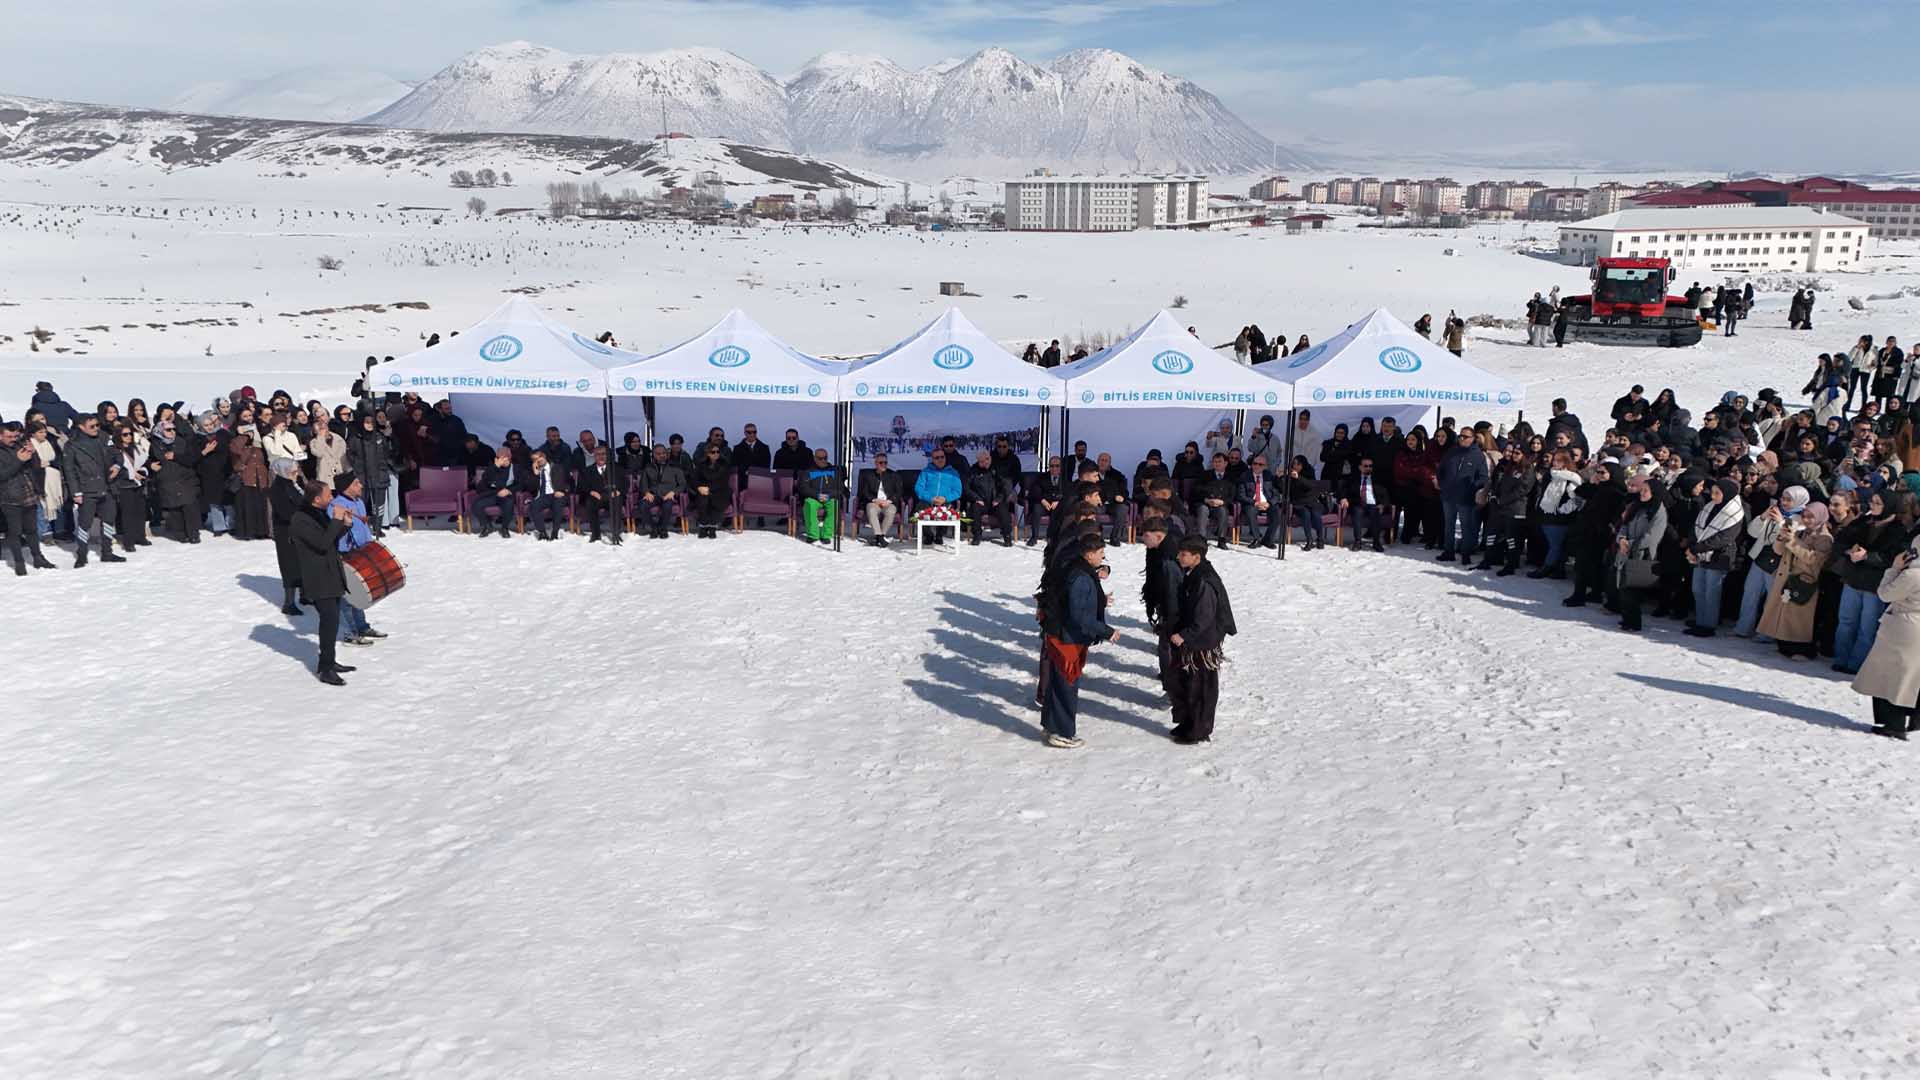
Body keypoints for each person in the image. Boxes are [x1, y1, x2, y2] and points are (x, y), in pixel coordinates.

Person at [1038, 535, 1117, 749]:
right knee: (1066, 686)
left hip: (1058, 634)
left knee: (1057, 684)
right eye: (1101, 553)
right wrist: (1107, 631)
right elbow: (1079, 615)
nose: (1103, 557)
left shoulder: (1073, 566)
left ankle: (1051, 725)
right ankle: (1062, 732)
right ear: (1089, 554)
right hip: (1067, 640)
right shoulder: (1080, 577)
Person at [1831, 490, 1909, 673]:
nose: (1872, 506)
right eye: (1872, 502)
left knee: (1867, 626)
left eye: (1878, 503)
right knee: (1846, 620)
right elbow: (1841, 541)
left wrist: (1867, 556)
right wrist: (1849, 551)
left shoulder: (1897, 529)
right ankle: (1840, 658)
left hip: (1874, 585)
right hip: (1853, 579)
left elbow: (1892, 558)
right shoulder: (1863, 522)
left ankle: (1857, 663)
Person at [1167, 535, 1234, 744]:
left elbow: (1204, 617)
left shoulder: (1204, 581)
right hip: (1195, 640)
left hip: (1202, 643)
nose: (1179, 557)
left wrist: (1183, 635)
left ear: (1197, 557)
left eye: (1183, 554)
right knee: (1186, 684)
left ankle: (1199, 730)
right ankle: (1188, 723)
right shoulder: (1194, 573)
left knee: (1201, 687)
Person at [289, 480, 357, 685]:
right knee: (329, 622)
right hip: (318, 578)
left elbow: (331, 539)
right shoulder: (300, 519)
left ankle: (329, 661)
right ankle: (325, 669)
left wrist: (344, 524)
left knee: (332, 621)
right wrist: (336, 519)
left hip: (331, 573)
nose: (332, 498)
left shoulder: (318, 513)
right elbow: (320, 544)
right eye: (328, 495)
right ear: (316, 499)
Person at [1852, 537, 1920, 739]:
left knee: (1892, 677)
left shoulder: (1912, 575)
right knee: (1912, 677)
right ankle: (1915, 719)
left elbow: (1884, 594)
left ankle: (1894, 725)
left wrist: (1893, 568)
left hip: (1903, 627)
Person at [1756, 500, 1833, 659]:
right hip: (1786, 576)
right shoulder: (1801, 531)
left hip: (1804, 580)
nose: (1806, 520)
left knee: (1798, 618)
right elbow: (1778, 551)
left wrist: (1791, 540)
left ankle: (1801, 649)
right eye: (1804, 516)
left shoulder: (1825, 538)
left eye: (1811, 517)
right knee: (1783, 613)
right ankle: (1784, 644)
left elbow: (1813, 558)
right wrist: (1781, 536)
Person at [1733, 485, 1809, 639]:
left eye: (1789, 500)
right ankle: (1743, 628)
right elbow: (1752, 532)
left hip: (1780, 563)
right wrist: (1763, 517)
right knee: (1750, 593)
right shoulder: (1775, 511)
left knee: (1771, 599)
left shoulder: (1801, 520)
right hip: (1761, 557)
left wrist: (1782, 522)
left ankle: (1765, 634)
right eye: (1783, 498)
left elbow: (1791, 538)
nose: (1784, 502)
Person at [1683, 479, 1744, 637]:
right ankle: (1700, 619)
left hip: (1719, 557)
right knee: (1698, 589)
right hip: (1700, 554)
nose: (1713, 496)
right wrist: (1692, 547)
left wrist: (1696, 549)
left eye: (1718, 493)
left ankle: (1708, 624)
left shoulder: (1734, 513)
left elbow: (1723, 538)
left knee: (1711, 592)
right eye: (1713, 492)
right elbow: (1696, 527)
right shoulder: (1709, 507)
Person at [329, 473, 385, 646]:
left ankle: (362, 626)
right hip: (344, 555)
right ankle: (349, 631)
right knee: (346, 597)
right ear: (347, 487)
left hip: (361, 553)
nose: (360, 486)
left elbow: (363, 529)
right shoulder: (335, 505)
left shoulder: (359, 502)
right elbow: (335, 531)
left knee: (359, 592)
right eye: (356, 483)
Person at [1611, 473, 1668, 633]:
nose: (1642, 493)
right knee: (1622, 587)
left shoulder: (1658, 511)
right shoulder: (1636, 506)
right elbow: (1625, 524)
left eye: (1645, 491)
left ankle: (1634, 621)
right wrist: (1621, 538)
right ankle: (1626, 617)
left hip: (1641, 554)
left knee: (1633, 589)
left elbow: (1652, 536)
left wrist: (1629, 544)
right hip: (1624, 551)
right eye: (1641, 490)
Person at [0, 423, 55, 575]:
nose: (13, 439)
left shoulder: (20, 445)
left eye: (15, 436)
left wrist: (34, 454)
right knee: (15, 532)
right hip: (9, 497)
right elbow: (2, 475)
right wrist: (19, 460)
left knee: (32, 530)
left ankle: (38, 558)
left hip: (29, 492)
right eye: (9, 437)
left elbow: (35, 467)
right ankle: (19, 563)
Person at [1139, 517, 1183, 701]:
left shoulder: (1169, 559)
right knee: (1165, 647)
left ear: (1159, 536)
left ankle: (1173, 689)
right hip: (1165, 606)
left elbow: (1173, 591)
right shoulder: (1155, 550)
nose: (1143, 540)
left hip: (1174, 610)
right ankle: (1170, 682)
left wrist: (1169, 619)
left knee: (1168, 648)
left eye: (1146, 537)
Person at [1474, 443, 1533, 575]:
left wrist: (1504, 500)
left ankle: (1511, 565)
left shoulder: (1528, 469)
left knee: (1511, 538)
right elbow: (1498, 484)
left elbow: (1522, 490)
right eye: (1513, 453)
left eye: (1517, 453)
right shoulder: (1509, 467)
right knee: (1491, 533)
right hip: (1500, 507)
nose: (1514, 456)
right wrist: (1495, 496)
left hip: (1515, 509)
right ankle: (1487, 559)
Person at [1436, 428, 1488, 562]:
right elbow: (1441, 469)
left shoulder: (1478, 456)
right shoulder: (1452, 452)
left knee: (1466, 526)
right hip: (1449, 495)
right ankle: (1448, 551)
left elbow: (1483, 477)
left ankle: (1466, 554)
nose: (1462, 439)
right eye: (1460, 436)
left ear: (1473, 439)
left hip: (1466, 497)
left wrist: (1472, 487)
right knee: (1449, 524)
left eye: (1465, 436)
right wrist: (1443, 484)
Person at [149, 419, 201, 544]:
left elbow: (192, 459)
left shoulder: (182, 442)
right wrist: (151, 465)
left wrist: (176, 457)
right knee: (174, 510)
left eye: (173, 429)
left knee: (190, 508)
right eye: (168, 430)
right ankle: (181, 534)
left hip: (185, 479)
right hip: (167, 480)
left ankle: (193, 534)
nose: (172, 432)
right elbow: (149, 460)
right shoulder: (155, 445)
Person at [962, 451, 1013, 546]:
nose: (984, 463)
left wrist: (999, 498)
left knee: (1003, 510)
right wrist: (976, 498)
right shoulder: (973, 471)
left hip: (996, 501)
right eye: (980, 462)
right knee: (975, 508)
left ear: (989, 458)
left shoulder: (998, 468)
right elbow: (966, 488)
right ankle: (977, 535)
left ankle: (1007, 536)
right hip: (981, 501)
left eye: (986, 460)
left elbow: (1007, 485)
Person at [795, 447, 844, 545]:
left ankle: (826, 535)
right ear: (814, 458)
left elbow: (840, 488)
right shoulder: (808, 471)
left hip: (829, 498)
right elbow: (803, 488)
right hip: (814, 497)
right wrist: (817, 495)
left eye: (825, 458)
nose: (823, 460)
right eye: (820, 458)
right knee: (809, 504)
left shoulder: (834, 471)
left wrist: (828, 495)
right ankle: (813, 534)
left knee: (835, 505)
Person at [913, 449, 962, 546]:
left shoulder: (953, 473)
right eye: (937, 457)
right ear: (932, 459)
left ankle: (940, 535)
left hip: (945, 500)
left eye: (942, 457)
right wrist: (931, 498)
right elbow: (918, 488)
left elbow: (957, 491)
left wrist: (945, 498)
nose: (940, 459)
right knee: (920, 508)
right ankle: (928, 535)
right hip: (928, 500)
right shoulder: (926, 472)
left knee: (948, 510)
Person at [1340, 456, 1389, 552]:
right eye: (1365, 466)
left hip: (1373, 504)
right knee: (1357, 513)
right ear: (1360, 467)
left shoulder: (1377, 479)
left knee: (1375, 513)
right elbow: (1342, 489)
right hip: (1358, 504)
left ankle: (1376, 542)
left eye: (1370, 466)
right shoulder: (1353, 478)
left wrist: (1383, 504)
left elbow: (1385, 495)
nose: (1368, 468)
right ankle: (1358, 542)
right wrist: (1343, 498)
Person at [636, 444, 686, 539]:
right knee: (643, 505)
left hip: (668, 495)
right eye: (658, 454)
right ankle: (653, 528)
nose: (661, 455)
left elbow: (683, 484)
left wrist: (673, 492)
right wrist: (646, 492)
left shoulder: (675, 467)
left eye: (663, 453)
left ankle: (663, 528)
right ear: (653, 455)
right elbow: (643, 483)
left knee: (667, 506)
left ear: (667, 454)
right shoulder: (648, 467)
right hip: (653, 495)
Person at [469, 448, 521, 539]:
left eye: (505, 458)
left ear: (509, 458)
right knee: (476, 505)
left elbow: (521, 484)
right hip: (492, 494)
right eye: (500, 458)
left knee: (509, 504)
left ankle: (504, 528)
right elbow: (484, 481)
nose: (503, 461)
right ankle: (487, 525)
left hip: (506, 494)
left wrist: (509, 491)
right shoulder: (492, 468)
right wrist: (495, 467)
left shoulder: (516, 468)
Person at [578, 446, 626, 544]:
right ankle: (596, 535)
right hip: (596, 497)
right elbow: (581, 486)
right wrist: (591, 492)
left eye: (603, 454)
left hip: (612, 496)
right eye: (598, 454)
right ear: (594, 456)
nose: (601, 457)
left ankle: (616, 533)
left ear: (608, 455)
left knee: (617, 501)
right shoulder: (587, 471)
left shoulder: (616, 468)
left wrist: (618, 491)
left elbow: (625, 483)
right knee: (590, 503)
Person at [1237, 455, 1285, 549]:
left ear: (1265, 466)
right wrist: (1255, 502)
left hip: (1267, 502)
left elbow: (1276, 494)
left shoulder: (1269, 476)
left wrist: (1269, 503)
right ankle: (1256, 539)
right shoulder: (1245, 476)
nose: (1257, 466)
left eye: (1260, 464)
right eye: (1255, 463)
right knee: (1250, 511)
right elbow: (1241, 495)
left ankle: (1267, 539)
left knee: (1277, 513)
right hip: (1252, 503)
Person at [859, 452, 906, 546]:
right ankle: (880, 536)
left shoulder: (893, 475)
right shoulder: (869, 475)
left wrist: (889, 500)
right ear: (876, 463)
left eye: (885, 462)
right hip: (874, 502)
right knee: (871, 509)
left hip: (888, 502)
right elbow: (865, 492)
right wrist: (874, 500)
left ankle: (880, 536)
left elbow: (899, 492)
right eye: (881, 463)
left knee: (891, 511)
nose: (883, 465)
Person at [1023, 455, 1069, 547]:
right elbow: (1035, 491)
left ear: (1061, 467)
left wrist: (1058, 501)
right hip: (1044, 504)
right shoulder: (1042, 477)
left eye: (1057, 466)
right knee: (1036, 508)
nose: (1054, 468)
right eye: (1052, 466)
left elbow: (1068, 493)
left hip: (1057, 505)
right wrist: (1042, 500)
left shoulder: (1065, 479)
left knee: (1058, 511)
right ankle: (1034, 537)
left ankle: (1051, 537)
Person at [690, 443, 732, 539]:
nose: (716, 454)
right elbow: (695, 479)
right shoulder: (701, 464)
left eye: (718, 452)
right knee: (703, 501)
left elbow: (723, 481)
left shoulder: (724, 464)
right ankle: (703, 527)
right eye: (713, 452)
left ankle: (712, 527)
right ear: (708, 453)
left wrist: (708, 489)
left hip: (720, 490)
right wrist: (699, 488)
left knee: (715, 500)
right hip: (703, 490)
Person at [527, 449, 571, 541]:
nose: (538, 460)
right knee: (533, 506)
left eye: (539, 457)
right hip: (544, 496)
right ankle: (542, 532)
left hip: (557, 494)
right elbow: (530, 488)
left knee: (557, 506)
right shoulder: (533, 472)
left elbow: (570, 482)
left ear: (544, 456)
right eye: (534, 460)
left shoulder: (557, 467)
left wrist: (563, 491)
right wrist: (535, 474)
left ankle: (555, 532)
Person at [1195, 453, 1234, 548]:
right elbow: (1196, 491)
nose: (1217, 464)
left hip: (1220, 504)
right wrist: (1207, 500)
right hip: (1206, 503)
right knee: (1202, 510)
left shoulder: (1231, 477)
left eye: (1219, 461)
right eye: (1215, 462)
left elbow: (1233, 495)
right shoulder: (1205, 475)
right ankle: (1202, 539)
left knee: (1223, 511)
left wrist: (1223, 502)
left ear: (1225, 463)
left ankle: (1221, 540)